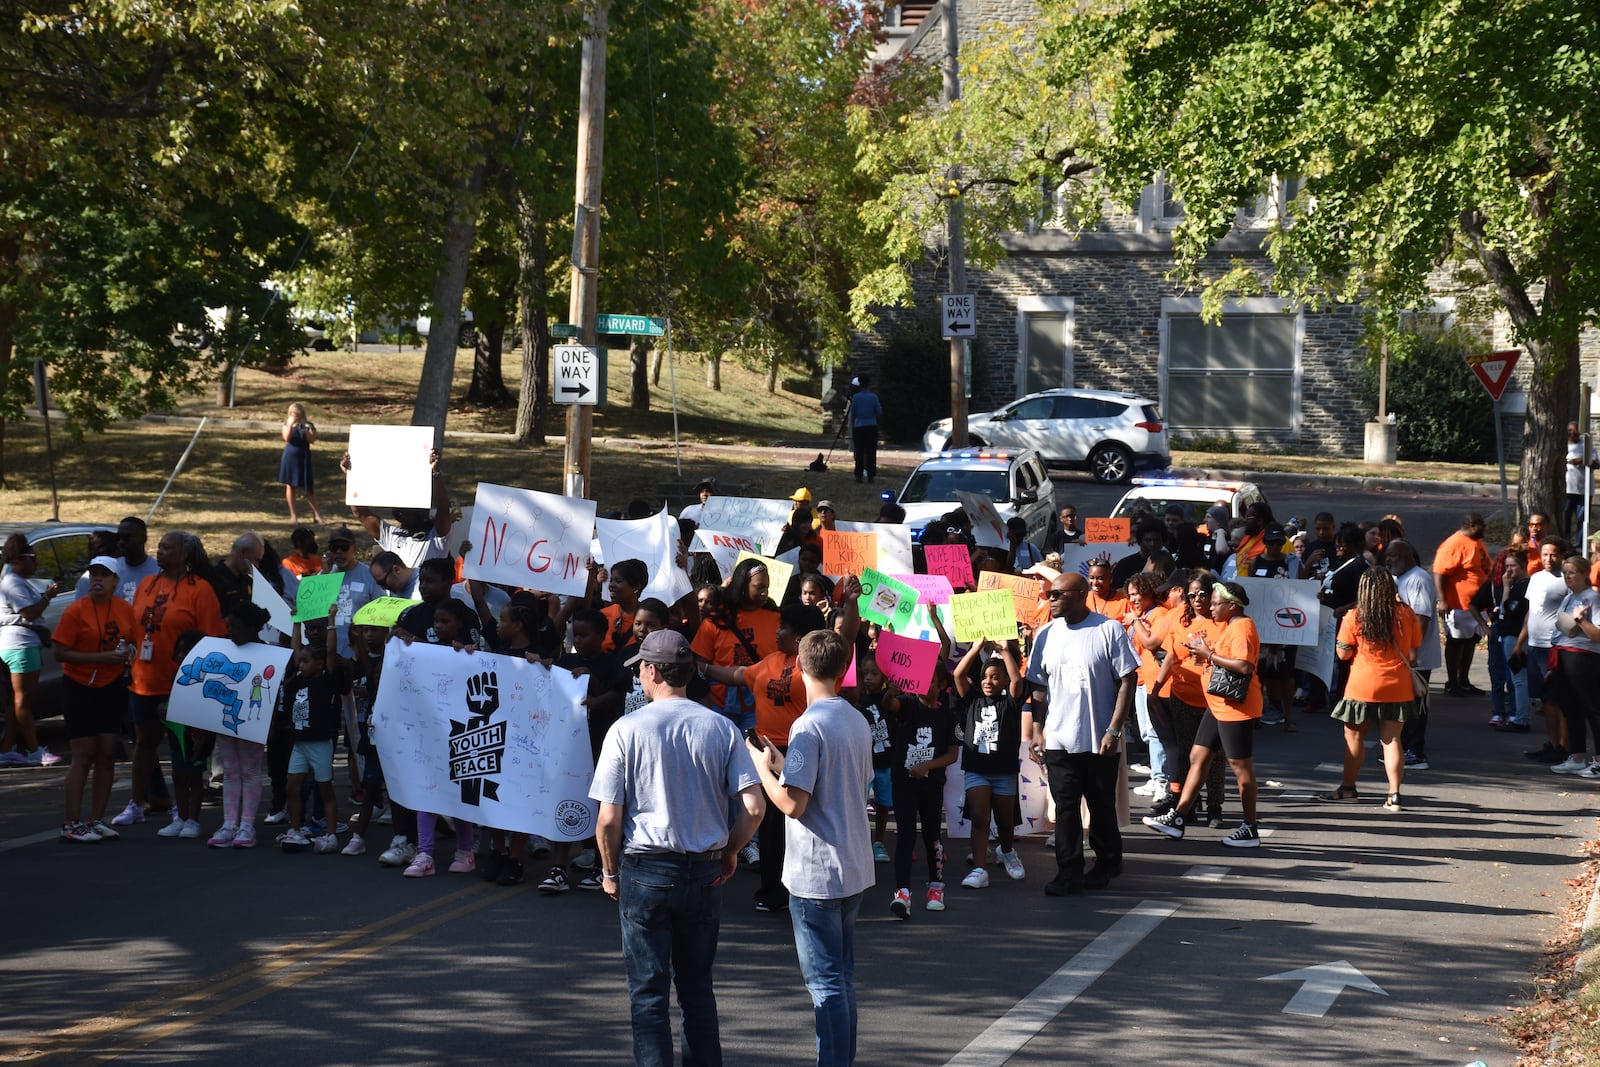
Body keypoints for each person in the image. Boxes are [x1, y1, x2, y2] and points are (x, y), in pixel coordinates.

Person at [590, 629, 765, 1067]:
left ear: (651, 672)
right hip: (703, 870)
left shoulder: (625, 730)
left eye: (641, 672)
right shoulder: (721, 727)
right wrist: (731, 849)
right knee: (697, 990)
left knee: (648, 995)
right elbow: (755, 807)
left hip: (646, 868)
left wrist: (610, 873)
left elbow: (609, 819)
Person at [748, 629, 873, 1067]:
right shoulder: (856, 719)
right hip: (853, 864)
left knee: (826, 984)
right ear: (843, 670)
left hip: (818, 872)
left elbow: (792, 804)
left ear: (798, 668)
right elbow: (832, 783)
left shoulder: (807, 726)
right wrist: (783, 768)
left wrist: (763, 771)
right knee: (843, 979)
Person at [1024, 571, 1140, 894]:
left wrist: (1114, 729)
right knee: (1065, 806)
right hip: (1059, 737)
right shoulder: (1045, 634)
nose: (1052, 600)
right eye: (1050, 595)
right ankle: (1068, 871)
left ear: (1080, 594)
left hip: (1098, 737)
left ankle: (1107, 862)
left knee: (1101, 805)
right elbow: (1038, 687)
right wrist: (1037, 729)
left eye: (1058, 595)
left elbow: (1127, 680)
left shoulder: (1108, 630)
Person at [115, 532, 227, 834]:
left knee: (184, 750)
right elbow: (134, 626)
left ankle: (185, 810)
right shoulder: (147, 584)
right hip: (143, 679)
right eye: (159, 547)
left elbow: (212, 640)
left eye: (167, 548)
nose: (159, 552)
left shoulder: (200, 590)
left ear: (185, 555)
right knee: (143, 742)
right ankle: (136, 804)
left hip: (182, 683)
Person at [1143, 580, 1265, 847]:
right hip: (1218, 705)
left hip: (1236, 708)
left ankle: (1250, 827)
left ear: (1232, 606)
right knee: (1198, 756)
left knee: (1240, 767)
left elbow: (1244, 666)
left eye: (1217, 603)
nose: (1211, 606)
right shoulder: (1230, 625)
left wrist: (1208, 655)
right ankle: (1178, 818)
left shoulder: (1242, 627)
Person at [1320, 567, 1423, 811]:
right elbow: (1413, 647)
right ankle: (1394, 794)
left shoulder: (1354, 615)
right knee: (1392, 741)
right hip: (1398, 686)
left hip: (1362, 686)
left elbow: (1343, 654)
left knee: (1354, 738)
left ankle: (1348, 789)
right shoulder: (1406, 614)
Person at [52, 555, 136, 840]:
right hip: (79, 686)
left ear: (115, 581)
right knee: (83, 754)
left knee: (107, 753)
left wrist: (129, 653)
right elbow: (60, 652)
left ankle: (96, 819)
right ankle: (71, 823)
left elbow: (132, 640)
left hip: (112, 686)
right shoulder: (76, 611)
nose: (97, 579)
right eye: (93, 574)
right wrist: (102, 657)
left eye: (104, 575)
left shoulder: (125, 609)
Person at [884, 663, 959, 918]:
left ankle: (935, 888)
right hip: (904, 784)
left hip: (931, 785)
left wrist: (927, 765)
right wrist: (890, 692)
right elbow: (890, 705)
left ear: (941, 686)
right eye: (922, 681)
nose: (926, 687)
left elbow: (952, 754)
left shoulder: (948, 716)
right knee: (905, 836)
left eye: (932, 682)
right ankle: (902, 893)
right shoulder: (907, 705)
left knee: (932, 837)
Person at [953, 640, 1027, 888]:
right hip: (977, 770)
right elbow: (958, 674)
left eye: (995, 677)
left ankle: (1007, 852)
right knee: (979, 816)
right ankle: (979, 869)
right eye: (985, 676)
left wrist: (1005, 651)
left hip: (1004, 772)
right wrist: (976, 648)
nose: (988, 681)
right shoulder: (972, 699)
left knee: (1005, 822)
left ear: (1005, 681)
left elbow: (1018, 682)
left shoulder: (1011, 702)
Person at [208, 602, 275, 849]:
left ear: (250, 627)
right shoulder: (225, 651)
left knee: (249, 769)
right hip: (226, 719)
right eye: (228, 626)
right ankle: (229, 824)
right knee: (231, 770)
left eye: (234, 626)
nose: (230, 631)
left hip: (252, 721)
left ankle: (247, 825)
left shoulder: (267, 654)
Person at [0, 534, 62, 765]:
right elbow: (30, 613)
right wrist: (48, 596)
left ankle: (6, 749)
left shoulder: (16, 580)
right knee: (22, 701)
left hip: (22, 645)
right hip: (20, 646)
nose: (35, 563)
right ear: (19, 560)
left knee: (17, 701)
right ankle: (36, 751)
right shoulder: (12, 582)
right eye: (32, 558)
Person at [1517, 538, 1572, 764]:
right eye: (1545, 554)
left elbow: (1572, 615)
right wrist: (1520, 642)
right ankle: (1552, 743)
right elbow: (1531, 612)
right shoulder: (1536, 578)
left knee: (1560, 700)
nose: (1549, 559)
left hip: (1554, 647)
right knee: (1545, 700)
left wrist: (1562, 644)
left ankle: (1566, 747)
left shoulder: (1566, 580)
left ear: (1562, 556)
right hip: (1535, 646)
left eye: (1554, 555)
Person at [1549, 557, 1600, 777]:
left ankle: (1598, 761)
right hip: (1563, 654)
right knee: (1571, 709)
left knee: (1593, 709)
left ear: (1584, 573)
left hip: (1583, 657)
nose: (1567, 577)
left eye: (1572, 572)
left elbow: (1597, 636)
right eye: (1565, 573)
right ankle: (1577, 757)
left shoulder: (1593, 597)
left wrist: (1581, 621)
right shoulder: (1569, 598)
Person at [1473, 546, 1531, 732]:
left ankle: (1519, 716)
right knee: (1501, 674)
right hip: (1503, 634)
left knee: (1517, 679)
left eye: (1513, 566)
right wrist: (1485, 626)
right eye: (1506, 566)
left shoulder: (1525, 586)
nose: (1508, 570)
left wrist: (1520, 643)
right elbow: (1502, 608)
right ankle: (1504, 712)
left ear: (1522, 566)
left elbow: (1509, 609)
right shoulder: (1502, 585)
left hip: (1516, 636)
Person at [1434, 513, 1490, 697]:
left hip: (1476, 606)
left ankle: (1464, 680)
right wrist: (1443, 600)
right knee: (1456, 642)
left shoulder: (1475, 541)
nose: (1485, 528)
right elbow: (1440, 573)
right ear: (1472, 525)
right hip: (1458, 605)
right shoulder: (1453, 544)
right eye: (1482, 525)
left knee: (1470, 642)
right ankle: (1452, 681)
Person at [279, 403, 324, 525]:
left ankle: (317, 515)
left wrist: (305, 427)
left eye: (297, 412)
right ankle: (293, 516)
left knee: (309, 487)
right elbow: (287, 438)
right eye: (293, 412)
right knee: (290, 486)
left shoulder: (308, 425)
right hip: (290, 457)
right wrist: (290, 424)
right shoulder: (287, 423)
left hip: (304, 456)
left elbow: (312, 440)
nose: (296, 415)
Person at [849, 375, 883, 484]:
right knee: (871, 451)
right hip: (871, 425)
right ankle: (871, 475)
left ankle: (859, 474)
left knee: (859, 451)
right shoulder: (873, 397)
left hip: (859, 425)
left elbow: (853, 413)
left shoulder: (856, 397)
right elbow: (879, 412)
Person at [1567, 423, 1588, 539]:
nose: (1572, 433)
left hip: (1582, 490)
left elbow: (1596, 463)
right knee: (1565, 518)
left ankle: (1579, 544)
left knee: (1582, 519)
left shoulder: (1585, 446)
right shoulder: (1560, 445)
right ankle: (1565, 543)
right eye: (1570, 430)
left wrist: (1582, 461)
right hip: (1565, 489)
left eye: (1575, 431)